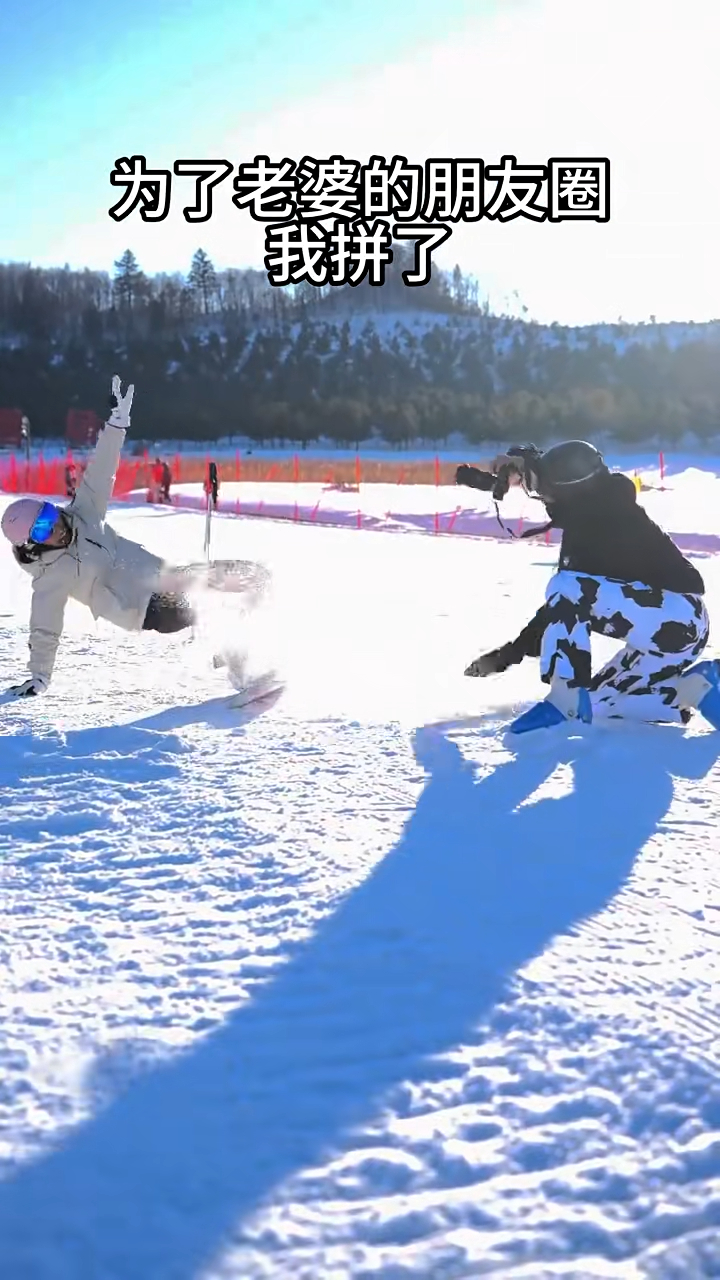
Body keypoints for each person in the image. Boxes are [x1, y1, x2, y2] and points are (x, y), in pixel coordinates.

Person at [455, 440, 720, 734]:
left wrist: (509, 655)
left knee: (565, 586)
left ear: (571, 489)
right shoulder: (598, 508)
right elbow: (561, 611)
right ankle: (694, 689)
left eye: (546, 489)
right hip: (672, 633)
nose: (543, 497)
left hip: (678, 616)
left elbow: (565, 600)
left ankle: (564, 695)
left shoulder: (602, 522)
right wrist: (524, 466)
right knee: (599, 703)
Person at [1, 376, 197, 698]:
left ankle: (242, 650)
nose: (55, 528)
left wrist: (117, 424)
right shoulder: (50, 577)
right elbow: (44, 628)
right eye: (41, 530)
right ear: (32, 544)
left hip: (163, 574)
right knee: (210, 605)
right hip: (141, 606)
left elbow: (102, 468)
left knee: (238, 577)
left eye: (49, 516)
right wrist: (39, 676)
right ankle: (246, 665)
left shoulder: (84, 512)